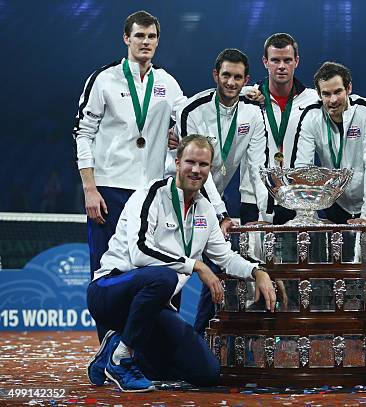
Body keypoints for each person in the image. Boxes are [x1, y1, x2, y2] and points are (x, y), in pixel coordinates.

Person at [86, 135, 276, 392]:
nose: (196, 170)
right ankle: (120, 358)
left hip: (153, 306)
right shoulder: (151, 194)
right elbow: (139, 253)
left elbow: (226, 257)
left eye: (204, 165)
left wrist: (257, 272)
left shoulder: (205, 211)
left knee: (206, 373)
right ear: (177, 163)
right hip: (110, 290)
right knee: (163, 278)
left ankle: (115, 346)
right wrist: (196, 266)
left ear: (210, 169)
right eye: (190, 162)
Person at [73, 10, 184, 342]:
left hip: (151, 193)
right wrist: (89, 188)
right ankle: (107, 346)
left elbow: (191, 117)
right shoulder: (103, 80)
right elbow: (83, 133)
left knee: (157, 270)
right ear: (126, 38)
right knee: (108, 271)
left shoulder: (167, 82)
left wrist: (248, 97)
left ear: (157, 41)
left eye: (151, 37)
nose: (145, 42)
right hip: (109, 190)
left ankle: (151, 350)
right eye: (139, 36)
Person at [172, 48, 272, 233]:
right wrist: (220, 213)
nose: (231, 83)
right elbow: (196, 168)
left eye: (237, 77)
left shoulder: (254, 113)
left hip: (214, 197)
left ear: (246, 80)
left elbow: (258, 168)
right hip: (176, 197)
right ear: (215, 75)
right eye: (226, 75)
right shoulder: (191, 111)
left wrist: (267, 217)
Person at [290, 61, 366, 223]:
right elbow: (302, 168)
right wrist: (309, 217)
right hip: (335, 202)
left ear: (349, 89)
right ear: (319, 95)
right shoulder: (311, 116)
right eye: (326, 94)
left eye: (338, 92)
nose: (333, 100)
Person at [241, 33, 320, 224]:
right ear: (265, 61)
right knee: (254, 254)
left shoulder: (313, 99)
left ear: (297, 61)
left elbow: (343, 105)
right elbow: (217, 103)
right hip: (253, 196)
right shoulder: (247, 99)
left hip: (297, 196)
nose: (281, 66)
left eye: (287, 60)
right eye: (275, 60)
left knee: (298, 254)